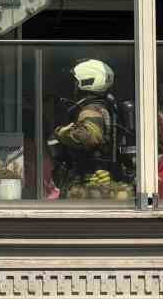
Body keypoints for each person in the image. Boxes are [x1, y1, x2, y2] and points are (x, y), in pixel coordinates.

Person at [50, 58, 130, 197]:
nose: (73, 86)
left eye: (75, 82)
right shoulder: (107, 105)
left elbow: (89, 137)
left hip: (90, 182)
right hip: (101, 180)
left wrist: (61, 133)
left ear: (87, 81)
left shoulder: (91, 109)